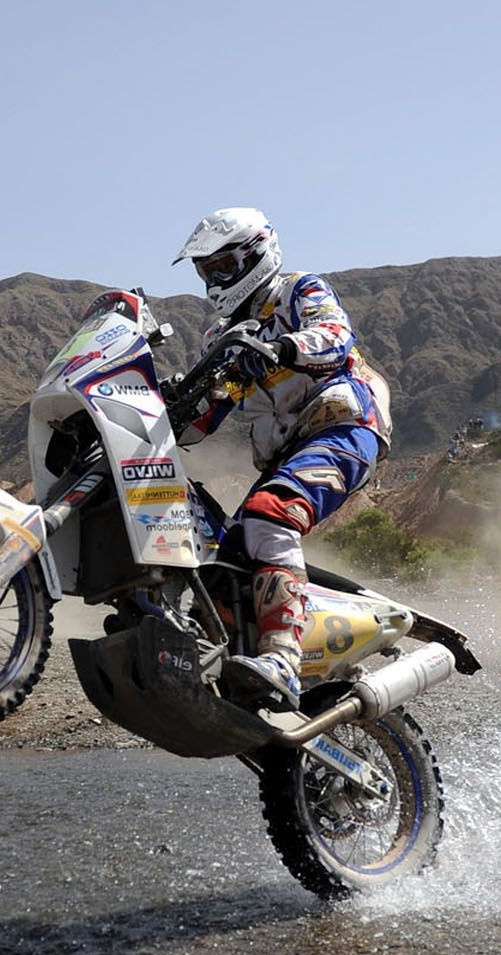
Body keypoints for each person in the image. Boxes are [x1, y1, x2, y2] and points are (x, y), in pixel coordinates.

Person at [171, 207, 392, 701]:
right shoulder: (224, 339)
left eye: (223, 267)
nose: (215, 280)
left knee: (269, 516)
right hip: (287, 452)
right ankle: (224, 666)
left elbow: (335, 336)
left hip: (344, 428)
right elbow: (217, 403)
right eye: (207, 271)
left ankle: (283, 661)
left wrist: (283, 349)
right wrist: (170, 407)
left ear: (256, 254)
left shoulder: (297, 291)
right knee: (223, 559)